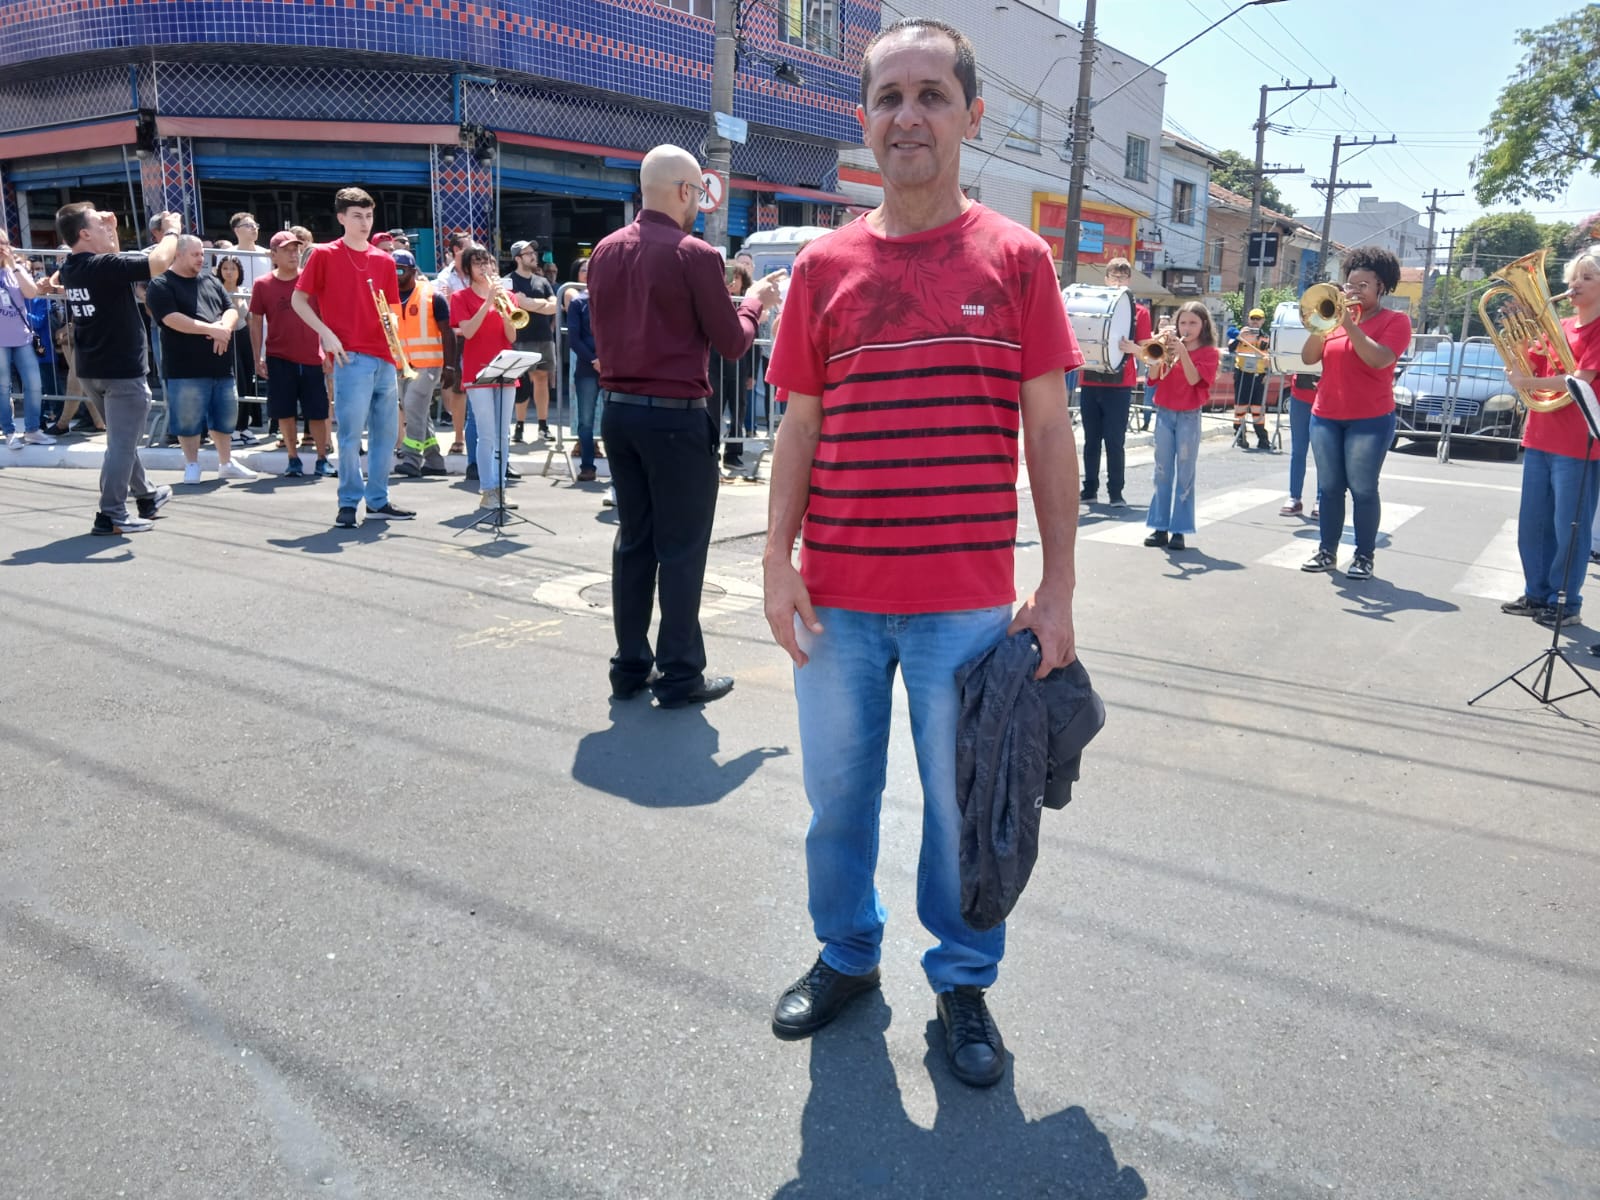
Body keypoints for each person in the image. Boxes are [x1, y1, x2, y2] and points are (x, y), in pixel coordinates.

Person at [761, 17, 1082, 1090]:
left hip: (965, 605)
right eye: (888, 96)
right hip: (838, 602)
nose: (908, 114)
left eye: (931, 95)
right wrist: (774, 559)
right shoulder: (820, 264)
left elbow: (1047, 432)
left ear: (971, 116)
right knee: (837, 806)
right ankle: (848, 955)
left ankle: (963, 983)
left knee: (963, 816)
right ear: (864, 119)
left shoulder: (1019, 260)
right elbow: (797, 425)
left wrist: (1060, 588)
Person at [587, 143, 782, 707]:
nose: (698, 201)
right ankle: (679, 674)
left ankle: (628, 667)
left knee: (634, 542)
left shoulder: (603, 251)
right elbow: (732, 341)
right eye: (697, 191)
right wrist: (754, 304)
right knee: (681, 549)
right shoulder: (693, 254)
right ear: (683, 191)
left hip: (619, 412)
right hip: (674, 419)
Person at [291, 186, 415, 527]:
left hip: (384, 358)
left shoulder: (385, 260)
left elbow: (391, 311)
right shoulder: (325, 254)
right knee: (349, 436)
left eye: (369, 216)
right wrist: (326, 335)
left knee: (386, 435)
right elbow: (298, 301)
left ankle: (378, 500)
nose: (364, 222)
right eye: (357, 216)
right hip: (350, 358)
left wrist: (400, 355)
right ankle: (348, 502)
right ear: (342, 218)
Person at [55, 202, 180, 534]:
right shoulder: (103, 266)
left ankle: (147, 495)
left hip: (92, 368)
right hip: (121, 370)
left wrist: (108, 230)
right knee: (122, 445)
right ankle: (111, 514)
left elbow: (118, 261)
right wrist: (172, 231)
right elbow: (158, 261)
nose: (106, 225)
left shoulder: (72, 267)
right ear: (83, 233)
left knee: (121, 441)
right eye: (98, 223)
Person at [1499, 246, 1600, 627]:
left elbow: (1580, 381)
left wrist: (1528, 381)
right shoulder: (1561, 327)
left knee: (1568, 527)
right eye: (1574, 277)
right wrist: (1519, 336)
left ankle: (1565, 601)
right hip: (1540, 436)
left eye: (1588, 277)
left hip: (1578, 442)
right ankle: (1536, 593)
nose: (1575, 284)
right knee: (1534, 523)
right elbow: (1527, 364)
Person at [1300, 247, 1412, 580]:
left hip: (1370, 418)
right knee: (1329, 488)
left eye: (1363, 285)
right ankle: (1327, 552)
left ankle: (1364, 556)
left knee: (1363, 488)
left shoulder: (1396, 321)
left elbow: (1378, 359)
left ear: (1382, 287)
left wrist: (1348, 324)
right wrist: (1321, 325)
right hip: (1325, 415)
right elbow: (1308, 358)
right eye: (1350, 284)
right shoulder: (1333, 319)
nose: (1354, 291)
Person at [146, 236, 258, 484]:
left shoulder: (210, 280)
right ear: (179, 254)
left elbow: (229, 309)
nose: (201, 259)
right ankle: (192, 464)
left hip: (220, 364)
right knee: (188, 419)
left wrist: (223, 328)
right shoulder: (162, 284)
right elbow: (171, 318)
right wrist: (212, 330)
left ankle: (226, 462)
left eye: (202, 255)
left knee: (225, 416)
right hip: (185, 367)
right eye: (196, 254)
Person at [249, 230, 334, 477]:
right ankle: (292, 458)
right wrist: (258, 357)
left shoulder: (311, 282)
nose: (293, 253)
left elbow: (324, 318)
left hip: (312, 357)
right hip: (279, 357)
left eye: (295, 249)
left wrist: (327, 354)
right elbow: (255, 320)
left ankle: (321, 458)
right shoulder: (262, 284)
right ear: (273, 254)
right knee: (284, 411)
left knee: (317, 411)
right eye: (286, 250)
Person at [1142, 302, 1219, 552]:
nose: (1187, 328)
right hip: (1164, 413)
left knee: (1185, 473)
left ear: (1204, 325)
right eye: (1183, 323)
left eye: (1193, 323)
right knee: (1162, 471)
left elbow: (1194, 379)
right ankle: (1159, 527)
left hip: (1188, 416)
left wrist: (1182, 352)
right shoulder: (1168, 346)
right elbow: (1152, 377)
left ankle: (1180, 530)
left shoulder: (1209, 352)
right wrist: (1157, 348)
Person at [448, 245, 519, 512]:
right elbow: (468, 332)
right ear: (467, 270)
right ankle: (488, 489)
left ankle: (501, 488)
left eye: (486, 262)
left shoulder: (507, 296)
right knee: (487, 435)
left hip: (506, 369)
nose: (484, 268)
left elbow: (512, 337)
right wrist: (488, 302)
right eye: (477, 264)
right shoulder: (460, 297)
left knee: (503, 434)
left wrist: (505, 312)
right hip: (478, 370)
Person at [1077, 256, 1151, 506]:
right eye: (1113, 277)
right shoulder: (1093, 305)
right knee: (1091, 440)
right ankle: (1089, 489)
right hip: (1090, 380)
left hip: (1120, 384)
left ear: (1129, 280)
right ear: (1105, 278)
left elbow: (1147, 352)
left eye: (1122, 277)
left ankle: (1116, 491)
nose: (1117, 281)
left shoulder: (1140, 311)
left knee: (1115, 440)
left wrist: (1132, 348)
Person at [391, 249, 455, 478]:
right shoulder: (389, 297)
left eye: (400, 270)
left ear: (412, 270)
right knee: (418, 412)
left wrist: (450, 366)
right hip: (402, 365)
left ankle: (411, 458)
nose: (395, 274)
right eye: (392, 270)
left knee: (411, 406)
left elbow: (448, 333)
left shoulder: (432, 296)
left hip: (429, 363)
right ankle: (435, 460)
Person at [0, 231, 52, 447]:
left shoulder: (16, 268)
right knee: (3, 386)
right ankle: (8, 430)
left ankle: (32, 429)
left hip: (21, 336)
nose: (3, 246)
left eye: (5, 242)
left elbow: (31, 293)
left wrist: (13, 264)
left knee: (33, 383)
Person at [505, 239, 559, 442]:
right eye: (527, 253)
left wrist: (528, 303)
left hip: (543, 336)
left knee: (542, 379)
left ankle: (543, 426)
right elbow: (511, 305)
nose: (533, 256)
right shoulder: (508, 281)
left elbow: (554, 306)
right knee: (521, 383)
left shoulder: (543, 281)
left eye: (532, 252)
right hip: (520, 337)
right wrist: (542, 304)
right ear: (517, 258)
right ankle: (518, 426)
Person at [712, 262, 757, 470]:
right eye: (729, 276)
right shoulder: (716, 302)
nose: (732, 281)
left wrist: (751, 373)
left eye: (736, 278)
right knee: (713, 411)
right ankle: (711, 452)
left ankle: (733, 453)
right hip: (715, 367)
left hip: (739, 368)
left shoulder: (747, 306)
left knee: (738, 411)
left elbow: (754, 345)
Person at [434, 230, 474, 454]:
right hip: (457, 338)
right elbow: (445, 311)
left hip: (477, 336)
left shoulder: (477, 274)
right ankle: (459, 437)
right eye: (469, 247)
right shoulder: (443, 278)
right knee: (458, 389)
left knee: (480, 388)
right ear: (457, 250)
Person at [215, 255, 263, 438]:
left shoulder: (244, 291)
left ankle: (243, 425)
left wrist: (256, 349)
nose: (229, 272)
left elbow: (250, 320)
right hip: (224, 337)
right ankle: (230, 426)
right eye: (225, 268)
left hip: (243, 337)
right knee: (232, 382)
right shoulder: (216, 290)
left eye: (233, 268)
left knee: (246, 381)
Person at [564, 266, 601, 483]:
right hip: (588, 368)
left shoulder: (615, 303)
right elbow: (574, 338)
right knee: (585, 420)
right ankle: (588, 466)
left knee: (613, 420)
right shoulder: (579, 303)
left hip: (612, 368)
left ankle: (618, 471)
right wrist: (595, 360)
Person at [1229, 307, 1272, 450]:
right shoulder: (1241, 334)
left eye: (1258, 319)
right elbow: (1230, 349)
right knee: (1240, 405)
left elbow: (1269, 357)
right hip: (1242, 373)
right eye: (1252, 318)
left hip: (1258, 375)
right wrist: (1239, 337)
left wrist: (1267, 374)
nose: (1255, 322)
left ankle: (1262, 438)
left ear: (1263, 321)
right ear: (1248, 319)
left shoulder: (1266, 337)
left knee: (1257, 407)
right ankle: (1240, 435)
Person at [1279, 371, 1319, 516]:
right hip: (1300, 394)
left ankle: (1321, 500)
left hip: (1327, 394)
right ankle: (1294, 497)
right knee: (1298, 450)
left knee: (1323, 453)